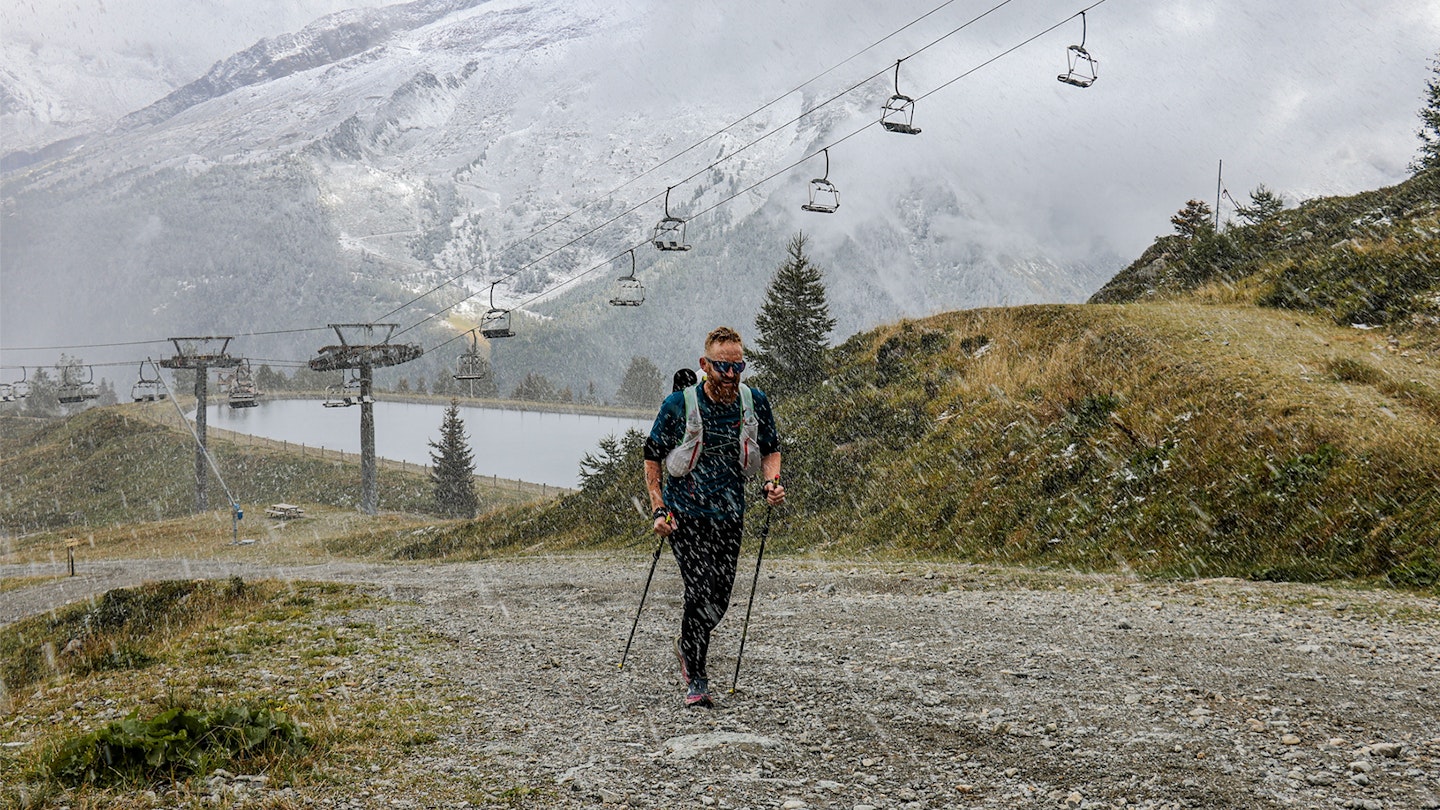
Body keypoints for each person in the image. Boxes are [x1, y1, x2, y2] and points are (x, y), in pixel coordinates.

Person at [644, 326, 785, 708]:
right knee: (699, 590)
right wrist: (658, 507)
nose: (731, 375)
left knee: (719, 599)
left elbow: (771, 449)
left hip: (729, 513)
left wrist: (772, 482)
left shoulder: (754, 401)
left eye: (738, 366)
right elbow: (652, 455)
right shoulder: (678, 405)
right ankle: (697, 675)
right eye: (723, 367)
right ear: (705, 365)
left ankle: (687, 641)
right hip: (684, 515)